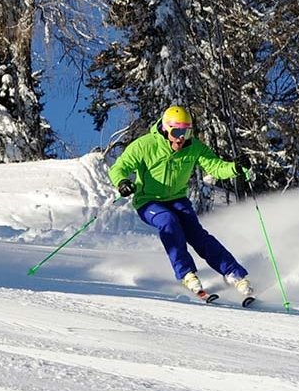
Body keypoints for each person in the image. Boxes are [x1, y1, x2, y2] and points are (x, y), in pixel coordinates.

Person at [108, 105, 255, 302]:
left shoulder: (193, 147)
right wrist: (123, 182)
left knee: (197, 235)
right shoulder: (145, 145)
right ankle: (186, 274)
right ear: (166, 128)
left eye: (186, 132)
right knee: (168, 222)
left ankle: (234, 274)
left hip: (177, 199)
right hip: (148, 202)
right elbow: (119, 167)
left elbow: (216, 167)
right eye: (177, 132)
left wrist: (236, 168)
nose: (181, 137)